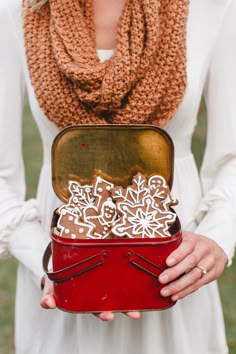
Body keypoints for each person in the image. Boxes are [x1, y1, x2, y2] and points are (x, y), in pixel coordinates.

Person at [0, 0, 236, 353]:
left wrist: (217, 236)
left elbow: (231, 157)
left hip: (172, 268)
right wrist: (47, 261)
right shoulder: (17, 10)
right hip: (62, 272)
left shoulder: (213, 6)